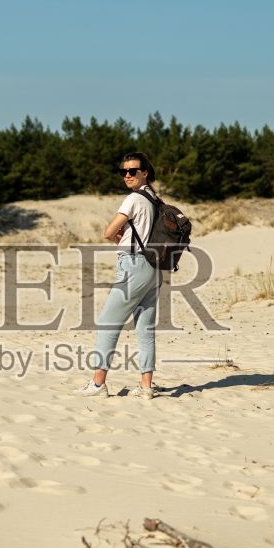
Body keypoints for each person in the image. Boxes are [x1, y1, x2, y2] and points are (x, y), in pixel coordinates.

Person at [78, 152, 160, 399]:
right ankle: (146, 387)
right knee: (145, 328)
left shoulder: (134, 198)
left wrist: (118, 237)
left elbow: (108, 232)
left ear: (145, 172)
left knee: (107, 322)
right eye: (123, 171)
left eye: (133, 171)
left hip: (133, 265)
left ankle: (98, 384)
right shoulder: (154, 199)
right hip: (154, 268)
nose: (127, 175)